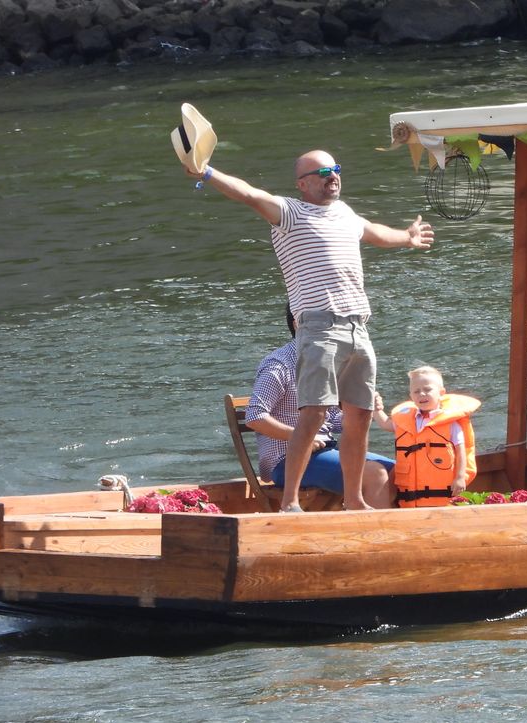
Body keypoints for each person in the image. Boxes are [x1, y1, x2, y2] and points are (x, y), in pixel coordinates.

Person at [188, 149, 434, 512]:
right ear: (302, 184)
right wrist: (206, 171)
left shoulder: (345, 213)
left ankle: (355, 501)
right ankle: (289, 503)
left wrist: (407, 237)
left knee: (360, 414)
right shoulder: (290, 213)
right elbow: (248, 193)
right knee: (315, 412)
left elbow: (375, 232)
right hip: (319, 324)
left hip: (358, 326)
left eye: (335, 168)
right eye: (321, 172)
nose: (331, 175)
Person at [245, 304, 396, 509]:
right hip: (284, 461)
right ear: (299, 323)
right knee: (375, 473)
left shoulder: (330, 359)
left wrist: (363, 411)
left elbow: (335, 423)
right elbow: (254, 416)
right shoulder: (278, 365)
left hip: (328, 450)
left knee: (397, 470)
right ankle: (372, 538)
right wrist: (298, 435)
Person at [373, 365, 481, 507]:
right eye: (416, 391)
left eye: (427, 389)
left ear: (441, 393)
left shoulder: (451, 423)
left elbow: (461, 451)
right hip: (411, 494)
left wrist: (460, 478)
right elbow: (385, 423)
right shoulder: (406, 420)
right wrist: (376, 409)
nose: (422, 394)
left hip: (442, 495)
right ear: (411, 396)